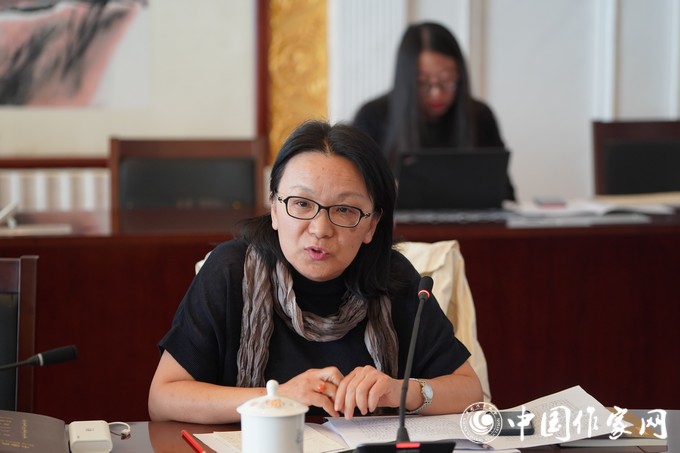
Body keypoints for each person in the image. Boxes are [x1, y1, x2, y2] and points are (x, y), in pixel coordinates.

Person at [148, 120, 482, 424]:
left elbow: (469, 391)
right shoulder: (231, 271)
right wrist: (277, 398)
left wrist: (400, 391)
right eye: (302, 204)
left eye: (344, 209)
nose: (320, 229)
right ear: (274, 209)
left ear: (372, 225)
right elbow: (164, 397)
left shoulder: (392, 278)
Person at [353, 22, 516, 201]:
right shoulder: (373, 116)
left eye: (447, 81)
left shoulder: (480, 115)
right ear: (406, 82)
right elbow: (354, 194)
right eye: (423, 83)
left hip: (470, 219)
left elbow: (505, 193)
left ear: (460, 76)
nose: (436, 93)